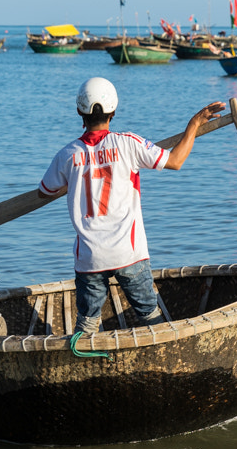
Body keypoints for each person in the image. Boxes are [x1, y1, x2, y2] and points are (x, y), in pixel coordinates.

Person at [38, 77, 225, 347]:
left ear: (80, 112)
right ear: (113, 112)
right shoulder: (129, 143)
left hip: (89, 257)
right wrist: (193, 126)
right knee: (150, 317)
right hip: (129, 253)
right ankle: (166, 354)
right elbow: (175, 161)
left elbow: (44, 191)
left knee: (87, 322)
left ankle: (80, 358)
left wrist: (75, 178)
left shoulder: (67, 155)